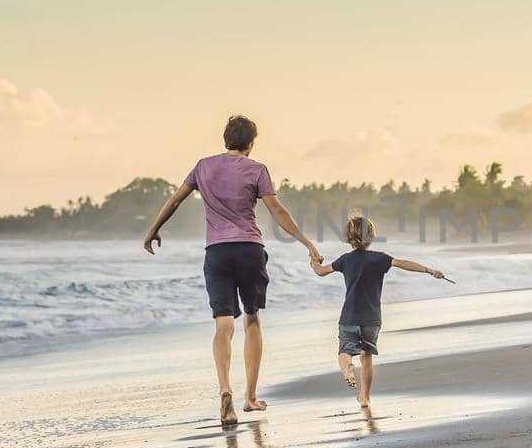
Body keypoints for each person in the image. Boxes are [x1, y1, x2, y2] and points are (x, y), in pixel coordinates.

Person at [143, 115, 322, 425]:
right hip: (249, 250)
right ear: (251, 143)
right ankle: (250, 398)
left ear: (225, 138)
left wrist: (153, 229)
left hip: (217, 252)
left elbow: (174, 201)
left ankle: (225, 389)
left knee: (223, 326)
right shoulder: (257, 170)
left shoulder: (203, 167)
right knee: (252, 319)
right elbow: (277, 210)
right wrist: (307, 243)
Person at [309, 212, 447, 408]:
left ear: (349, 238)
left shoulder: (345, 260)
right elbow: (403, 263)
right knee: (366, 358)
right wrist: (428, 270)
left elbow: (321, 272)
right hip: (371, 319)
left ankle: (347, 368)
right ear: (371, 236)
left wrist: (313, 261)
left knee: (344, 351)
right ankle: (364, 397)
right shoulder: (379, 259)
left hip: (349, 316)